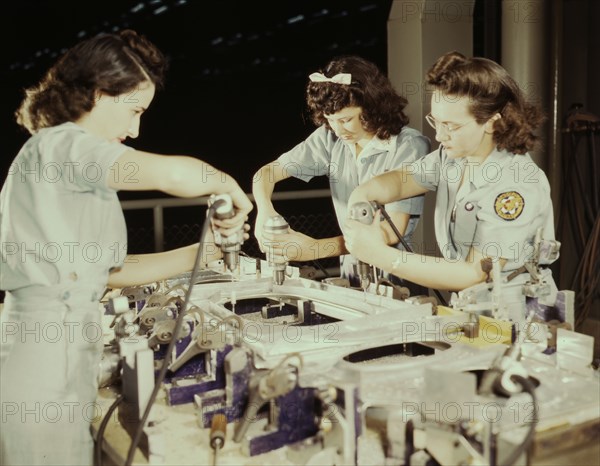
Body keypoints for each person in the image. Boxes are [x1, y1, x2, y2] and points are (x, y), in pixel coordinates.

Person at [0, 30, 252, 465]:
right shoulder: (63, 146)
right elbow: (170, 176)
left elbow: (111, 273)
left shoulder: (72, 166)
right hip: (43, 351)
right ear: (99, 93)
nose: (136, 129)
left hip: (64, 343)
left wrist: (203, 252)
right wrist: (225, 183)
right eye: (134, 110)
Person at [344, 51, 558, 321]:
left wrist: (381, 256)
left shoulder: (515, 184)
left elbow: (474, 272)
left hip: (517, 311)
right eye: (436, 121)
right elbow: (401, 181)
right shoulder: (453, 157)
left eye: (452, 126)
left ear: (493, 122)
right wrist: (362, 193)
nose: (439, 134)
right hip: (471, 304)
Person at [252, 55, 429, 290]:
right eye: (330, 119)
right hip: (350, 269)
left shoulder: (409, 146)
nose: (338, 129)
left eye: (347, 119)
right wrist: (264, 209)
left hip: (396, 271)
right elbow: (265, 174)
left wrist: (315, 249)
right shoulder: (330, 137)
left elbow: (388, 233)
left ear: (372, 106)